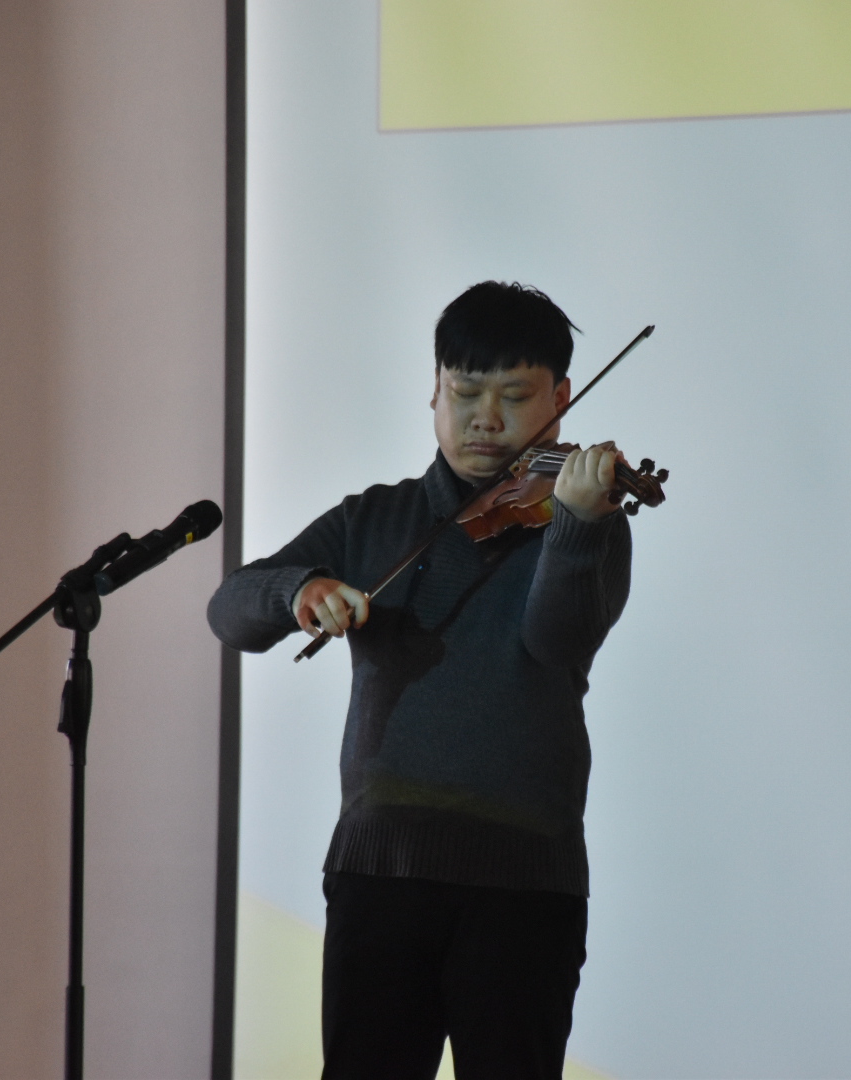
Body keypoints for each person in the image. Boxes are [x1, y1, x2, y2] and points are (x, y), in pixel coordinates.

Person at [209, 281, 633, 1079]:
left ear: (561, 399)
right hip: (381, 871)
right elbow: (231, 611)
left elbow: (557, 644)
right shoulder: (374, 519)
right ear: (434, 390)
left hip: (525, 883)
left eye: (515, 396)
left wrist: (577, 525)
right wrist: (298, 591)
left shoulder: (586, 519)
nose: (485, 418)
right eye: (465, 392)